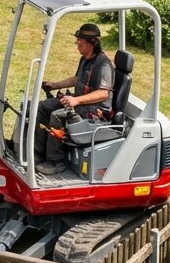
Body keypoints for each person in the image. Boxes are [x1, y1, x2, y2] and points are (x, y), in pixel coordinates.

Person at [33, 23, 114, 174]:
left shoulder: (104, 65)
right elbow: (77, 79)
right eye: (77, 41)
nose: (77, 44)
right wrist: (54, 85)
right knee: (43, 107)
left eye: (80, 42)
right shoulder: (85, 59)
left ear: (92, 42)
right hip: (80, 103)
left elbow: (103, 93)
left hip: (96, 112)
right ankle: (38, 154)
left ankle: (56, 161)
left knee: (57, 115)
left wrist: (76, 100)